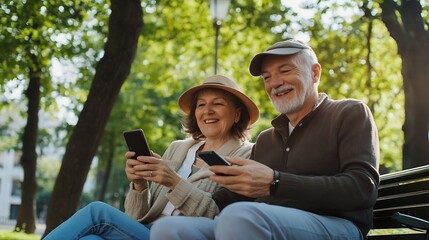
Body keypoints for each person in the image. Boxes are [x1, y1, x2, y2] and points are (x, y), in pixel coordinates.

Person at [150, 39, 380, 240]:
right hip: (262, 223)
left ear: (315, 72)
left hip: (336, 225)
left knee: (239, 217)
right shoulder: (268, 138)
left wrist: (276, 181)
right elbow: (231, 199)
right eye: (267, 77)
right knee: (170, 228)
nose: (275, 82)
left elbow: (362, 188)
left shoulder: (349, 112)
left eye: (285, 71)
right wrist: (218, 182)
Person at [42, 74, 259, 240]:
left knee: (97, 211)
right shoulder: (178, 148)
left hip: (177, 235)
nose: (207, 111)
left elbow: (218, 216)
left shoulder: (246, 154)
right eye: (201, 105)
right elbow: (135, 217)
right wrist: (139, 184)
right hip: (144, 230)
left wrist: (174, 181)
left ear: (238, 114)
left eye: (218, 104)